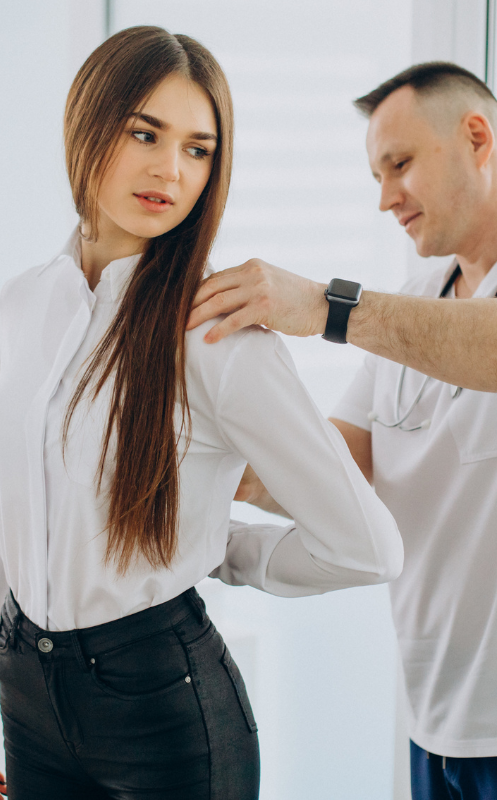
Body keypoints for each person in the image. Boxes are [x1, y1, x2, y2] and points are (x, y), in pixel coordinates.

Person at [0, 26, 403, 800]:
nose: (171, 170)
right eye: (146, 133)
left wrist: (218, 549)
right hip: (25, 686)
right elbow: (13, 503)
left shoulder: (216, 330)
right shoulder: (23, 302)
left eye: (199, 149)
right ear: (87, 123)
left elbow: (368, 548)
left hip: (161, 705)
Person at [191, 62, 497, 799]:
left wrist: (325, 308)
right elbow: (328, 475)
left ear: (477, 136)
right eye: (375, 176)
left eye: (400, 165)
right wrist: (174, 466)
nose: (387, 198)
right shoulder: (421, 302)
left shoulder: (410, 321)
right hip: (439, 720)